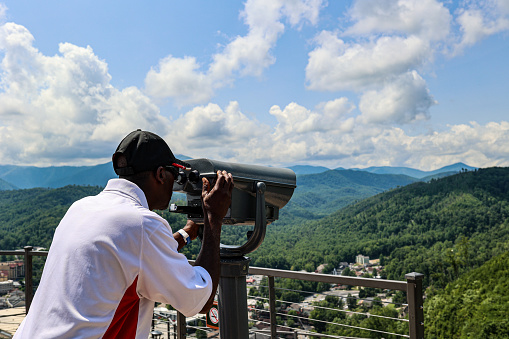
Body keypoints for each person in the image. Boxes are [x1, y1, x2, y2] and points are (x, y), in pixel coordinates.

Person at [14, 129, 233, 338]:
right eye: (174, 174)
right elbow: (200, 300)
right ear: (160, 174)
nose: (174, 184)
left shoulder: (81, 207)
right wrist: (214, 217)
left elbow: (136, 259)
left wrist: (186, 233)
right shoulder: (142, 224)